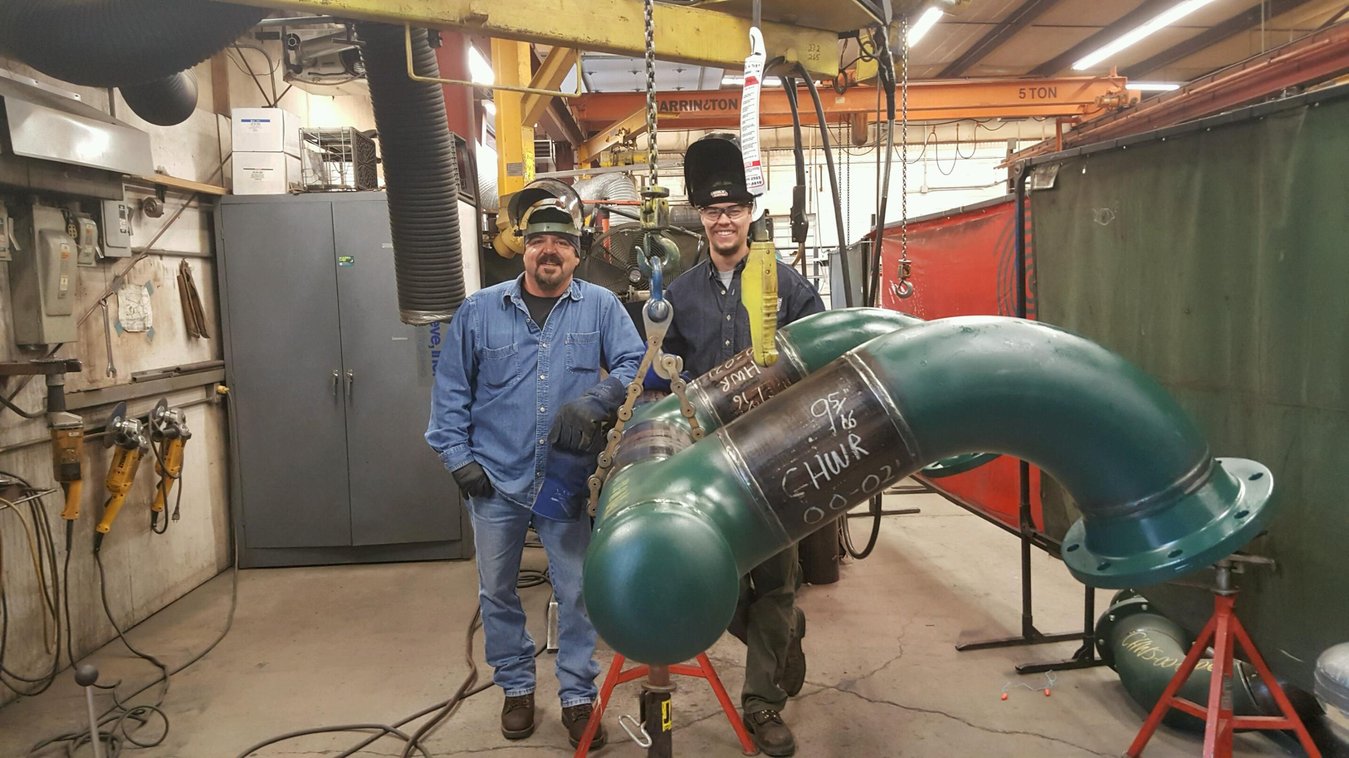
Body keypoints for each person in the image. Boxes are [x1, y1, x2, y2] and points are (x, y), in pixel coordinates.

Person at [426, 199, 645, 749]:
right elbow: (451, 390)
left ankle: (576, 696)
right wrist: (459, 459)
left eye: (562, 243)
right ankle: (517, 688)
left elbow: (634, 363)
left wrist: (598, 400)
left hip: (567, 479)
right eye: (537, 241)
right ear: (522, 250)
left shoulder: (600, 306)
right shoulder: (479, 311)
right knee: (496, 591)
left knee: (575, 590)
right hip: (496, 478)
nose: (549, 251)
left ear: (576, 253)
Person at [661, 133, 825, 758]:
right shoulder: (677, 296)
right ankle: (781, 636)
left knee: (777, 581)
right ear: (699, 217)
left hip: (776, 457)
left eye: (733, 209)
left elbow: (820, 351)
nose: (723, 219)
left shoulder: (787, 285)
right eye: (711, 210)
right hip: (709, 464)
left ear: (751, 213)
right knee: (716, 582)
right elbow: (655, 371)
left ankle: (761, 704)